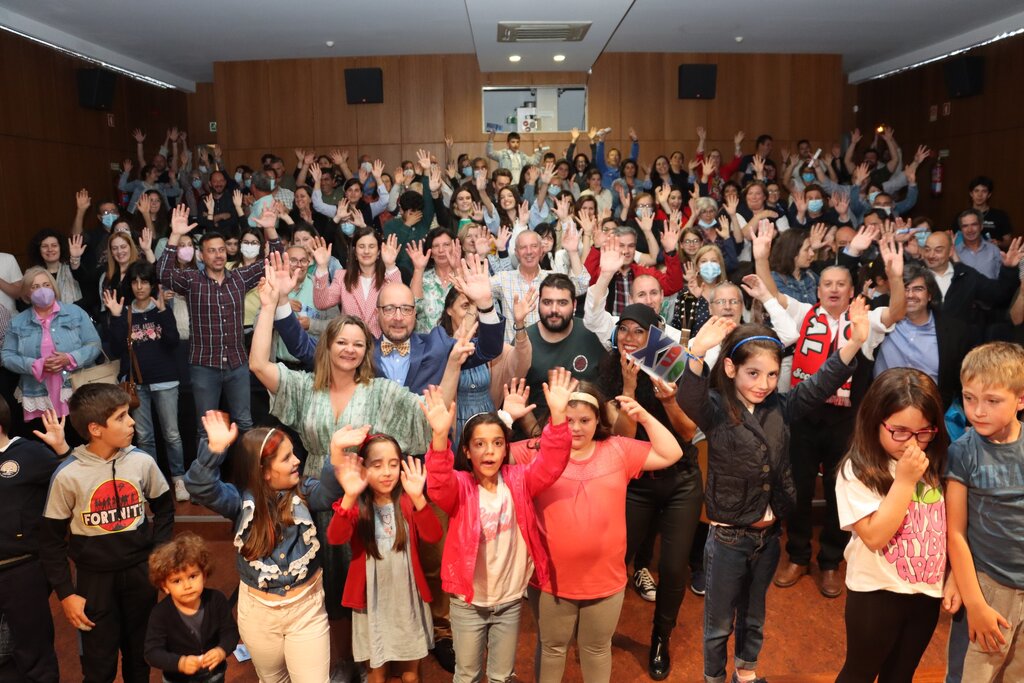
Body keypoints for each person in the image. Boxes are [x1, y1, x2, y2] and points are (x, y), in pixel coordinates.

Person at [677, 306, 869, 683]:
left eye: (770, 374)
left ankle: (746, 674)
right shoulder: (715, 408)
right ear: (730, 370)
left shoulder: (781, 406)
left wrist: (855, 343)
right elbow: (688, 398)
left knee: (754, 616)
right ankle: (713, 678)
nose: (763, 383)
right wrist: (697, 351)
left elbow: (821, 383)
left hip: (767, 537)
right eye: (752, 373)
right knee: (718, 624)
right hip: (729, 538)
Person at [755, 222, 906, 598]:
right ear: (818, 290)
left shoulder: (865, 321)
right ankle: (798, 554)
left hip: (845, 420)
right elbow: (771, 291)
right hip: (804, 417)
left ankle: (830, 563)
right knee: (800, 490)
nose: (834, 289)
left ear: (851, 291)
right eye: (827, 284)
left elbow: (897, 312)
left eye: (841, 284)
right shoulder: (804, 312)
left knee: (843, 491)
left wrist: (895, 277)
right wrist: (761, 256)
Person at [505, 378, 681, 683]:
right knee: (553, 648)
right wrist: (506, 417)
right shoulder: (537, 451)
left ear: (599, 419)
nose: (575, 427)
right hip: (551, 581)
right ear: (556, 415)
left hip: (605, 580)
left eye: (585, 420)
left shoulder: (618, 449)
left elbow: (671, 453)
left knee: (597, 648)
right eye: (568, 419)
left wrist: (643, 416)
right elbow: (478, 457)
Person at [422, 368, 573, 683]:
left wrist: (558, 418)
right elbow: (438, 484)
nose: (488, 451)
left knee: (502, 675)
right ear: (466, 451)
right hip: (468, 603)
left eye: (496, 443)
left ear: (506, 448)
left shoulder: (520, 480)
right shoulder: (461, 488)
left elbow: (551, 464)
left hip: (508, 600)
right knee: (467, 674)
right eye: (479, 444)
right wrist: (439, 438)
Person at [184, 410, 355, 683]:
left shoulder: (304, 492)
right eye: (287, 457)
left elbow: (327, 493)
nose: (297, 461)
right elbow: (200, 487)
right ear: (263, 471)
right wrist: (213, 451)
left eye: (293, 453)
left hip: (306, 611)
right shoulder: (241, 503)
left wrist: (335, 452)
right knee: (272, 680)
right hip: (258, 616)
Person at [38, 384, 174, 683]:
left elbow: (164, 509)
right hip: (93, 583)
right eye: (122, 417)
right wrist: (66, 595)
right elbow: (50, 543)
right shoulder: (68, 475)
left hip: (140, 576)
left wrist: (159, 558)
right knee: (99, 667)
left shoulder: (142, 461)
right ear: (96, 429)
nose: (132, 422)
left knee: (140, 659)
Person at [596, 304, 703, 680]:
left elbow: (688, 433)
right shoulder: (608, 369)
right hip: (635, 483)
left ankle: (661, 638)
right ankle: (599, 634)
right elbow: (622, 439)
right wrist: (628, 389)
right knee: (615, 559)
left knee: (674, 568)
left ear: (654, 335)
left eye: (638, 331)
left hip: (681, 481)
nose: (628, 337)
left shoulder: (672, 364)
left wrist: (669, 401)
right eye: (622, 329)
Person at [834, 368, 957, 682]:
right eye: (899, 431)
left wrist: (953, 576)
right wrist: (904, 481)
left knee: (901, 674)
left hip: (925, 591)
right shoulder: (857, 469)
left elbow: (955, 526)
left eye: (924, 432)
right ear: (876, 421)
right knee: (860, 672)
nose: (912, 444)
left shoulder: (939, 461)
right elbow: (875, 536)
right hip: (875, 592)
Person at [158, 204, 283, 441]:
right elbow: (164, 273)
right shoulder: (192, 280)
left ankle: (246, 478)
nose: (218, 255)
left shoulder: (238, 278)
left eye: (221, 250)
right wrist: (174, 236)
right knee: (206, 430)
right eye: (212, 251)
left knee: (245, 423)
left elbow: (274, 261)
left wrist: (270, 230)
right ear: (202, 255)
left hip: (236, 365)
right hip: (204, 366)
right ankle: (207, 479)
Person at [327, 435, 441, 683]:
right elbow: (335, 537)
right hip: (372, 603)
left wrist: (419, 498)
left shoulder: (408, 502)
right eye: (377, 465)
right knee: (376, 673)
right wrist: (348, 496)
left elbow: (434, 534)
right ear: (363, 468)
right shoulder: (357, 506)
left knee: (411, 674)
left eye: (393, 463)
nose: (387, 472)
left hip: (407, 599)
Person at [946, 342, 1024, 683]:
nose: (978, 411)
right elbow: (956, 532)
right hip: (988, 587)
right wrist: (975, 603)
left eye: (992, 401)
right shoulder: (963, 451)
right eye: (969, 398)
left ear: (1020, 399)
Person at [105, 261, 186, 502]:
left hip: (165, 379)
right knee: (144, 436)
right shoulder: (125, 310)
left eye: (144, 281)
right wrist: (117, 317)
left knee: (172, 434)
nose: (140, 287)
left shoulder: (160, 307)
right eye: (135, 282)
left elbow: (173, 341)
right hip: (136, 384)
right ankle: (152, 481)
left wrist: (163, 313)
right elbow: (118, 347)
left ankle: (178, 479)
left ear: (153, 284)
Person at [0, 401, 65, 683]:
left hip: (22, 568)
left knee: (32, 651)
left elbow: (72, 483)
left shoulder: (29, 453)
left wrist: (63, 451)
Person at [1, 267, 102, 425]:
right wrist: (35, 365)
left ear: (53, 287)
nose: (42, 290)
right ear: (27, 293)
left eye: (46, 285)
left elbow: (94, 344)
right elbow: (7, 356)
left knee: (80, 437)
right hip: (37, 393)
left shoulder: (75, 312)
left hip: (76, 389)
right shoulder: (17, 322)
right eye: (34, 287)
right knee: (46, 442)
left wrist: (70, 358)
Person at [144, 532, 239, 683]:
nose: (187, 586)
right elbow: (152, 652)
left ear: (204, 575)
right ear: (164, 586)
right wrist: (179, 663)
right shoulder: (160, 613)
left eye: (193, 576)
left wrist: (221, 650)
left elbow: (230, 632)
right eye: (176, 581)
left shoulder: (217, 600)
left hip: (215, 676)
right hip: (176, 679)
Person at [522, 274, 607, 418]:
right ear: (538, 304)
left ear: (574, 305)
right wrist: (536, 435)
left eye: (562, 303)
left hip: (589, 430)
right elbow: (518, 399)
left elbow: (608, 389)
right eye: (547, 302)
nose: (554, 310)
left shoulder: (592, 333)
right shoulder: (524, 341)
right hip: (540, 433)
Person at [491, 229, 589, 342]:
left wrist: (572, 252)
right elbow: (475, 292)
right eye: (523, 247)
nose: (529, 251)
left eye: (534, 246)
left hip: (549, 353)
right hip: (514, 354)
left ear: (541, 250)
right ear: (516, 252)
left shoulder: (554, 279)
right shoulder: (503, 279)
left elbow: (582, 285)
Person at [312, 231, 400, 339]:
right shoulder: (342, 277)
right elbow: (321, 303)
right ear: (354, 251)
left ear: (378, 252)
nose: (366, 251)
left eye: (371, 246)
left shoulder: (389, 277)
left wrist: (390, 265)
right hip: (350, 345)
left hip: (381, 346)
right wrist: (321, 267)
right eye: (361, 246)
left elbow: (399, 301)